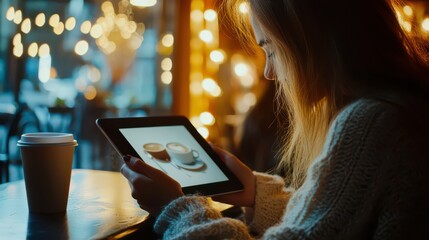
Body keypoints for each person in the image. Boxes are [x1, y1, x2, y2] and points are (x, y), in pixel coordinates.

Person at [121, 0, 429, 238]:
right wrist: (256, 193)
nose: (269, 72)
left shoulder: (373, 122)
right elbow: (333, 223)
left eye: (271, 51)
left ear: (312, 39)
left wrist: (175, 209)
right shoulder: (400, 107)